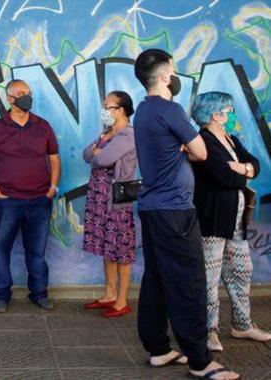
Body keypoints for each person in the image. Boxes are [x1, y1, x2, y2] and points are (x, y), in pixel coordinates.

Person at [133, 49, 239, 380]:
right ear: (165, 77)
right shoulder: (170, 109)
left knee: (157, 279)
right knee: (188, 283)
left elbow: (183, 150)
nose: (177, 76)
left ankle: (159, 349)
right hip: (175, 212)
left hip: (153, 209)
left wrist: (181, 147)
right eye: (175, 71)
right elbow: (202, 151)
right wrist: (186, 146)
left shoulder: (143, 111)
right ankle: (200, 361)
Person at [191, 91, 271, 352]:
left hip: (237, 222)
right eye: (229, 111)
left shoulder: (231, 140)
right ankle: (208, 331)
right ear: (216, 114)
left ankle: (242, 324)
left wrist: (244, 168)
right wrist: (242, 172)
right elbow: (224, 178)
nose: (232, 115)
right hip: (213, 221)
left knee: (241, 270)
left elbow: (255, 164)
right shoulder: (203, 140)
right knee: (210, 277)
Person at [0, 79, 61, 313]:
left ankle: (39, 293)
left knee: (36, 251)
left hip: (39, 202)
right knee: (1, 250)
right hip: (8, 203)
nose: (28, 96)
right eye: (22, 93)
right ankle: (0, 295)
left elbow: (54, 160)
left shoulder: (43, 126)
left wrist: (51, 189)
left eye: (29, 92)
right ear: (10, 99)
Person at [82, 91, 137, 318]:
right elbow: (87, 154)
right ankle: (109, 293)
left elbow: (102, 159)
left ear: (121, 110)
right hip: (100, 197)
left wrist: (98, 153)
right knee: (108, 247)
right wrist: (99, 149)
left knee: (121, 250)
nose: (104, 110)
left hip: (117, 199)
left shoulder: (127, 135)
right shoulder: (107, 133)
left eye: (108, 106)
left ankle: (122, 300)